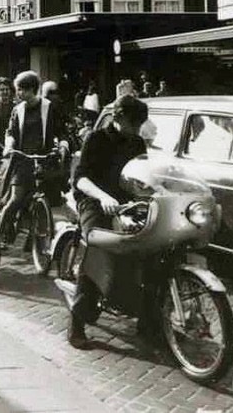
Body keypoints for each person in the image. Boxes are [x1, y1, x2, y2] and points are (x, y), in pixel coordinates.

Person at [67, 95, 148, 349]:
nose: (135, 129)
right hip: (93, 200)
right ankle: (76, 323)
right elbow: (80, 178)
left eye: (139, 125)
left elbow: (142, 174)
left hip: (125, 203)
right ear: (119, 117)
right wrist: (103, 197)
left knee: (153, 245)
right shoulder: (96, 138)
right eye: (133, 123)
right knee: (98, 247)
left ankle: (150, 320)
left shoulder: (137, 142)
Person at [0, 71, 69, 245]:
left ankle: (37, 240)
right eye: (18, 90)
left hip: (45, 159)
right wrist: (9, 146)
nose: (18, 93)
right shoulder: (18, 109)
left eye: (21, 90)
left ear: (31, 89)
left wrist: (63, 145)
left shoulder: (49, 107)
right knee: (15, 199)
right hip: (23, 160)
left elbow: (61, 131)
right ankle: (0, 234)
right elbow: (11, 132)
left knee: (47, 200)